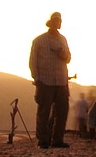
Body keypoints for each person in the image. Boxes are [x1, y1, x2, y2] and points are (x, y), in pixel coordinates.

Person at [29, 11, 72, 149]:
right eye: (55, 20)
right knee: (44, 111)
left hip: (61, 80)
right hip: (45, 80)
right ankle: (43, 140)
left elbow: (69, 58)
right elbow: (32, 61)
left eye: (59, 21)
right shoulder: (39, 40)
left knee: (62, 111)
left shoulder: (63, 39)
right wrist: (37, 77)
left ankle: (57, 139)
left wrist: (64, 55)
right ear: (50, 22)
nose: (57, 23)